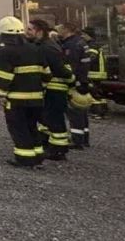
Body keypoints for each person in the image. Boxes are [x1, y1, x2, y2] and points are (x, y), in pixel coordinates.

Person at [0, 16, 48, 168]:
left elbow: (4, 77)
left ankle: (25, 159)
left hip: (16, 99)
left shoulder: (5, 52)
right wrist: (39, 89)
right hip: (37, 98)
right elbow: (46, 74)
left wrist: (0, 94)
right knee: (32, 126)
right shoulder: (36, 48)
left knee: (19, 128)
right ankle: (38, 157)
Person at [28, 19, 73, 160]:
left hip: (55, 88)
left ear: (39, 31)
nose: (26, 32)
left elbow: (59, 69)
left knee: (55, 120)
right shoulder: (43, 45)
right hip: (50, 89)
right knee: (47, 118)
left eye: (30, 29)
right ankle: (47, 144)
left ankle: (59, 150)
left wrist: (72, 80)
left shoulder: (48, 47)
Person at [58, 22, 94, 148]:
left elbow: (71, 66)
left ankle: (77, 140)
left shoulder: (71, 45)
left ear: (67, 29)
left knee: (74, 111)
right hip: (83, 80)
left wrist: (71, 80)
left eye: (60, 28)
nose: (58, 31)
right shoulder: (81, 42)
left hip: (75, 81)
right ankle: (84, 138)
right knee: (81, 110)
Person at [83, 30, 110, 119]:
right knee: (99, 93)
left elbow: (91, 57)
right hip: (99, 72)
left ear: (88, 35)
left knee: (94, 93)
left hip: (94, 72)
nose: (82, 37)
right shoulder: (95, 44)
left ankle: (97, 113)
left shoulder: (92, 45)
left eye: (84, 34)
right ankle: (103, 112)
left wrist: (82, 63)